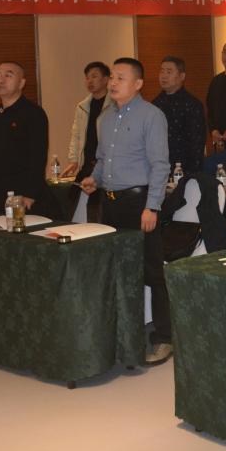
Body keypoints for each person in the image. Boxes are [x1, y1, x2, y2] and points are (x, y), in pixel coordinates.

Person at [80, 58, 173, 365]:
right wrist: (95, 178)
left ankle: (164, 337)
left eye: (121, 77)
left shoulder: (152, 115)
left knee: (153, 271)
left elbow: (160, 165)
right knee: (119, 270)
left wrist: (152, 206)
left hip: (140, 203)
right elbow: (102, 158)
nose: (113, 82)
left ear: (138, 84)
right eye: (112, 77)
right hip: (111, 203)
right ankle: (124, 334)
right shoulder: (105, 118)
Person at [0, 61, 50, 216]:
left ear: (21, 83)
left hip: (22, 195)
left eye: (8, 75)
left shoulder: (33, 113)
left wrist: (30, 193)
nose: (1, 80)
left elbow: (38, 156)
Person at [152, 55, 206, 173]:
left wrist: (192, 175)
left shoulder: (192, 104)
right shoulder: (154, 104)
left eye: (169, 72)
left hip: (183, 168)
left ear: (182, 76)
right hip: (158, 167)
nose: (163, 76)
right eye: (161, 71)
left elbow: (197, 144)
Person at [65, 61, 113, 183]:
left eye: (94, 76)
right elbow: (76, 135)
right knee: (76, 193)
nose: (90, 81)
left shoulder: (114, 105)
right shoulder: (82, 106)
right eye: (87, 78)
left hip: (107, 165)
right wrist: (73, 160)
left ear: (106, 79)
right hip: (86, 164)